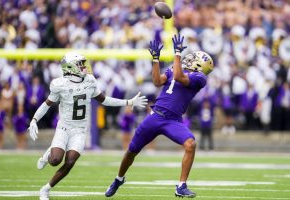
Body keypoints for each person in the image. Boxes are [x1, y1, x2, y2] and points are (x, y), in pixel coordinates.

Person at [27, 52, 148, 200]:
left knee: (70, 161)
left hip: (80, 129)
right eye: (80, 64)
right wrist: (34, 119)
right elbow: (47, 105)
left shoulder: (89, 81)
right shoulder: (60, 84)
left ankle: (46, 189)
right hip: (64, 127)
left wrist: (128, 102)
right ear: (70, 67)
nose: (84, 67)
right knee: (55, 160)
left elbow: (104, 100)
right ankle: (48, 154)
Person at [105, 34, 213, 198]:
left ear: (200, 64)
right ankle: (118, 179)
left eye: (193, 58)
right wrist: (155, 59)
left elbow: (178, 76)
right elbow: (157, 81)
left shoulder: (199, 78)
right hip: (155, 116)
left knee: (190, 144)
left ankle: (181, 186)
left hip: (173, 121)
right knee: (132, 151)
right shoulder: (173, 68)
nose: (188, 58)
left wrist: (177, 53)